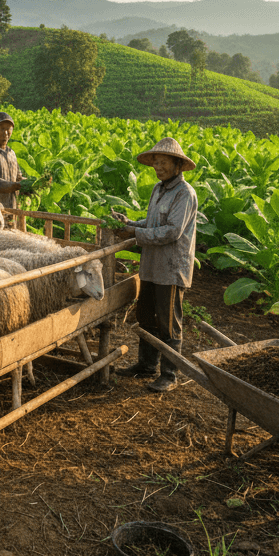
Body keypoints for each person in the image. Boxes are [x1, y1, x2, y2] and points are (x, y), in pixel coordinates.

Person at [110, 137, 198, 393]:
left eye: (163, 162)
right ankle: (147, 365)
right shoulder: (158, 189)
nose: (158, 167)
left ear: (177, 165)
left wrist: (133, 234)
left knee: (168, 322)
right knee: (146, 316)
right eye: (156, 163)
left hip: (171, 268)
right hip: (151, 265)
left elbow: (172, 231)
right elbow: (151, 224)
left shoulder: (184, 193)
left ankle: (169, 375)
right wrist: (129, 223)